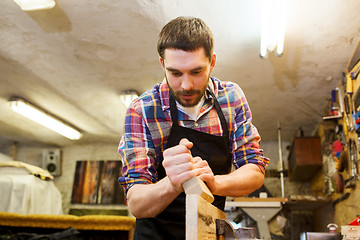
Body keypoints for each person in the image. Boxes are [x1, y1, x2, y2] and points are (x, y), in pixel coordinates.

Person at [118, 16, 269, 239]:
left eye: (196, 72)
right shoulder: (142, 109)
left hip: (207, 232)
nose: (186, 85)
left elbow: (254, 172)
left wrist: (214, 182)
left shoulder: (231, 98)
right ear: (162, 65)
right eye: (175, 73)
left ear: (212, 62)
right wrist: (173, 183)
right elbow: (137, 203)